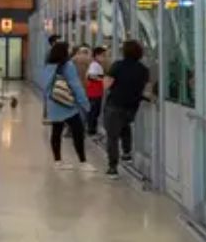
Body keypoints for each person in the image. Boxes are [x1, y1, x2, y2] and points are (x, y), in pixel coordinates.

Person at [40, 39, 94, 170]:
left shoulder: (49, 65)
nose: (71, 50)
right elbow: (75, 85)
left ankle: (58, 161)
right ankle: (83, 162)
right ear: (64, 52)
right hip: (67, 104)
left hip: (54, 102)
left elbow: (45, 86)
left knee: (56, 131)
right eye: (68, 49)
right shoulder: (68, 65)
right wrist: (85, 103)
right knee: (78, 131)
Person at [103, 39, 150, 179]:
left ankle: (113, 167)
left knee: (112, 136)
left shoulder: (117, 66)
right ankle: (127, 153)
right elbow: (147, 90)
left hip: (115, 104)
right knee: (125, 127)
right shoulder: (143, 70)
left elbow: (106, 85)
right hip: (132, 107)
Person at [85, 46, 107, 135]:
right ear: (97, 55)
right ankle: (91, 130)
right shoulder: (94, 65)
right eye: (103, 55)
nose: (104, 57)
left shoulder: (96, 65)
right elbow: (91, 76)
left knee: (94, 112)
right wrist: (102, 78)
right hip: (94, 93)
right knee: (94, 112)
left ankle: (91, 128)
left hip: (95, 92)